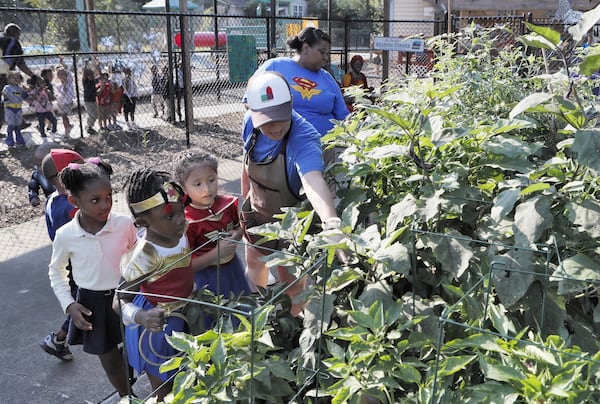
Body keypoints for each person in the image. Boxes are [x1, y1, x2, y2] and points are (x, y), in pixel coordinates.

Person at [241, 71, 346, 315]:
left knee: (292, 281)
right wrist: (242, 205)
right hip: (257, 211)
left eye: (280, 117)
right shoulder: (250, 123)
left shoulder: (304, 137)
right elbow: (246, 165)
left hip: (289, 223)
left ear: (291, 106)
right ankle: (260, 314)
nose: (275, 126)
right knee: (254, 261)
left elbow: (313, 182)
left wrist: (332, 223)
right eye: (266, 120)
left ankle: (289, 325)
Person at [47, 159, 137, 398]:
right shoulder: (66, 235)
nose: (105, 204)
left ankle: (134, 383)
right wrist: (69, 305)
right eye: (95, 200)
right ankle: (128, 397)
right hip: (92, 306)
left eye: (109, 196)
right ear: (74, 201)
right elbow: (55, 271)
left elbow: (139, 256)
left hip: (128, 296)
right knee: (109, 360)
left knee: (136, 350)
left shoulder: (124, 224)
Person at [114, 169, 197, 401]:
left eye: (182, 210)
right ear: (142, 222)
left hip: (189, 311)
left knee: (192, 376)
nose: (181, 219)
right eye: (170, 216)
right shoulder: (143, 256)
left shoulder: (181, 231)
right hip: (160, 326)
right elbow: (119, 300)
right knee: (165, 389)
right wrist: (141, 317)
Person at [174, 151, 251, 303]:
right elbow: (185, 266)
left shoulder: (227, 205)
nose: (206, 189)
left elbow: (237, 227)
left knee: (242, 310)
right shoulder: (186, 223)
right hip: (206, 279)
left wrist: (237, 235)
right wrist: (216, 253)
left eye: (211, 180)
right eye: (197, 184)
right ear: (183, 188)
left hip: (233, 269)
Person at [248, 27, 349, 139]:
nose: (326, 58)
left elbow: (343, 116)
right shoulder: (274, 67)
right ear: (306, 48)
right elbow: (250, 102)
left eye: (327, 53)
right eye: (322, 52)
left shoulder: (327, 78)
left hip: (325, 147)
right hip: (282, 146)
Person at [39, 148, 84, 360]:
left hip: (66, 260)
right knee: (83, 301)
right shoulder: (71, 206)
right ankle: (58, 339)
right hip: (80, 263)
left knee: (81, 299)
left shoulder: (51, 201)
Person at [0, 23, 34, 137]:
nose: (19, 37)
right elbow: (21, 64)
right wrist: (32, 76)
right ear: (14, 33)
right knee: (8, 98)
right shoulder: (14, 42)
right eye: (18, 34)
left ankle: (20, 122)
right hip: (4, 76)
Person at [27, 75, 58, 141]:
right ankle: (43, 135)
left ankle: (53, 132)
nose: (44, 84)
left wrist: (48, 93)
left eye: (43, 82)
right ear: (36, 85)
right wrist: (38, 91)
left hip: (48, 110)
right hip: (40, 112)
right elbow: (35, 98)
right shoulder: (33, 92)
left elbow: (53, 98)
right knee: (42, 124)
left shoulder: (45, 91)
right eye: (41, 83)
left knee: (54, 121)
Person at [28, 142, 60, 207]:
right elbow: (33, 185)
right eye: (37, 165)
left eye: (42, 164)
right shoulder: (39, 174)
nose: (40, 168)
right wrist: (33, 196)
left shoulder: (67, 172)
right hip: (52, 203)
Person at [1, 71, 27, 148]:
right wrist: (5, 97)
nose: (16, 79)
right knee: (11, 125)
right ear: (9, 79)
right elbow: (3, 98)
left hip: (18, 108)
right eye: (14, 78)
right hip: (10, 108)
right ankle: (9, 141)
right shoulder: (7, 88)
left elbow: (24, 97)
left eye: (18, 78)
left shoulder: (20, 88)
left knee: (18, 125)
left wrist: (26, 92)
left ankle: (19, 140)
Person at [55, 56, 75, 136]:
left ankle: (67, 130)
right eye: (61, 75)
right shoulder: (58, 86)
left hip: (68, 102)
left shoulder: (69, 81)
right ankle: (68, 126)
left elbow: (67, 69)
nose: (63, 77)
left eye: (64, 75)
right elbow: (60, 94)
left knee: (63, 116)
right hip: (61, 103)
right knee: (64, 116)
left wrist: (61, 61)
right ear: (58, 77)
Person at [82, 59, 99, 135]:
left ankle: (89, 126)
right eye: (90, 75)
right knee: (92, 115)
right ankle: (89, 126)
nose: (92, 76)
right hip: (88, 101)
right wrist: (86, 64)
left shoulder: (93, 81)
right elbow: (84, 72)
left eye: (92, 75)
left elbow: (100, 76)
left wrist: (97, 66)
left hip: (93, 100)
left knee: (95, 114)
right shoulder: (86, 81)